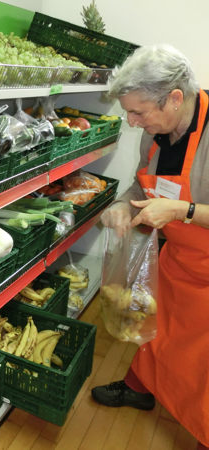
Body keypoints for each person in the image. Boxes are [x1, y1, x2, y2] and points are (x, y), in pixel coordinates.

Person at [90, 44, 209, 448]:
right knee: (159, 333)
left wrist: (183, 210)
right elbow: (143, 184)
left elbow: (179, 203)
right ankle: (141, 388)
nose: (132, 121)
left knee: (203, 368)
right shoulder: (156, 135)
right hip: (179, 263)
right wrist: (123, 206)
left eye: (139, 111)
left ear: (175, 98)